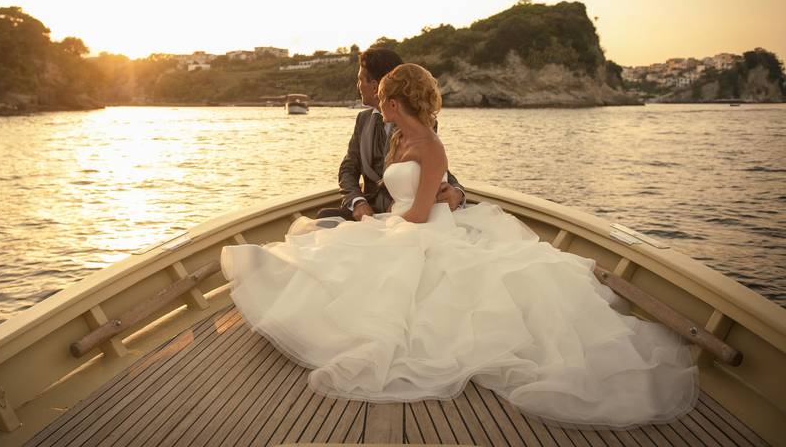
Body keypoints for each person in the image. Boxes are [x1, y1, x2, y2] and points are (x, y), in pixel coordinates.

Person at [221, 63, 697, 428]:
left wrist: (382, 224)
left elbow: (424, 209)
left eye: (382, 97)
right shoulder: (399, 141)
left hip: (423, 226)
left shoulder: (429, 145)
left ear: (393, 101)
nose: (377, 104)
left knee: (359, 261)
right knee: (337, 252)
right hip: (404, 222)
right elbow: (397, 195)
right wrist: (376, 218)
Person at [317, 48, 466, 221]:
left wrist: (457, 193)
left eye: (360, 80)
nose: (358, 86)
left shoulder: (421, 125)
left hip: (404, 217)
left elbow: (434, 166)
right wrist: (357, 202)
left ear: (375, 86)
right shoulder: (363, 120)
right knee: (322, 219)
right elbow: (348, 169)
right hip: (370, 210)